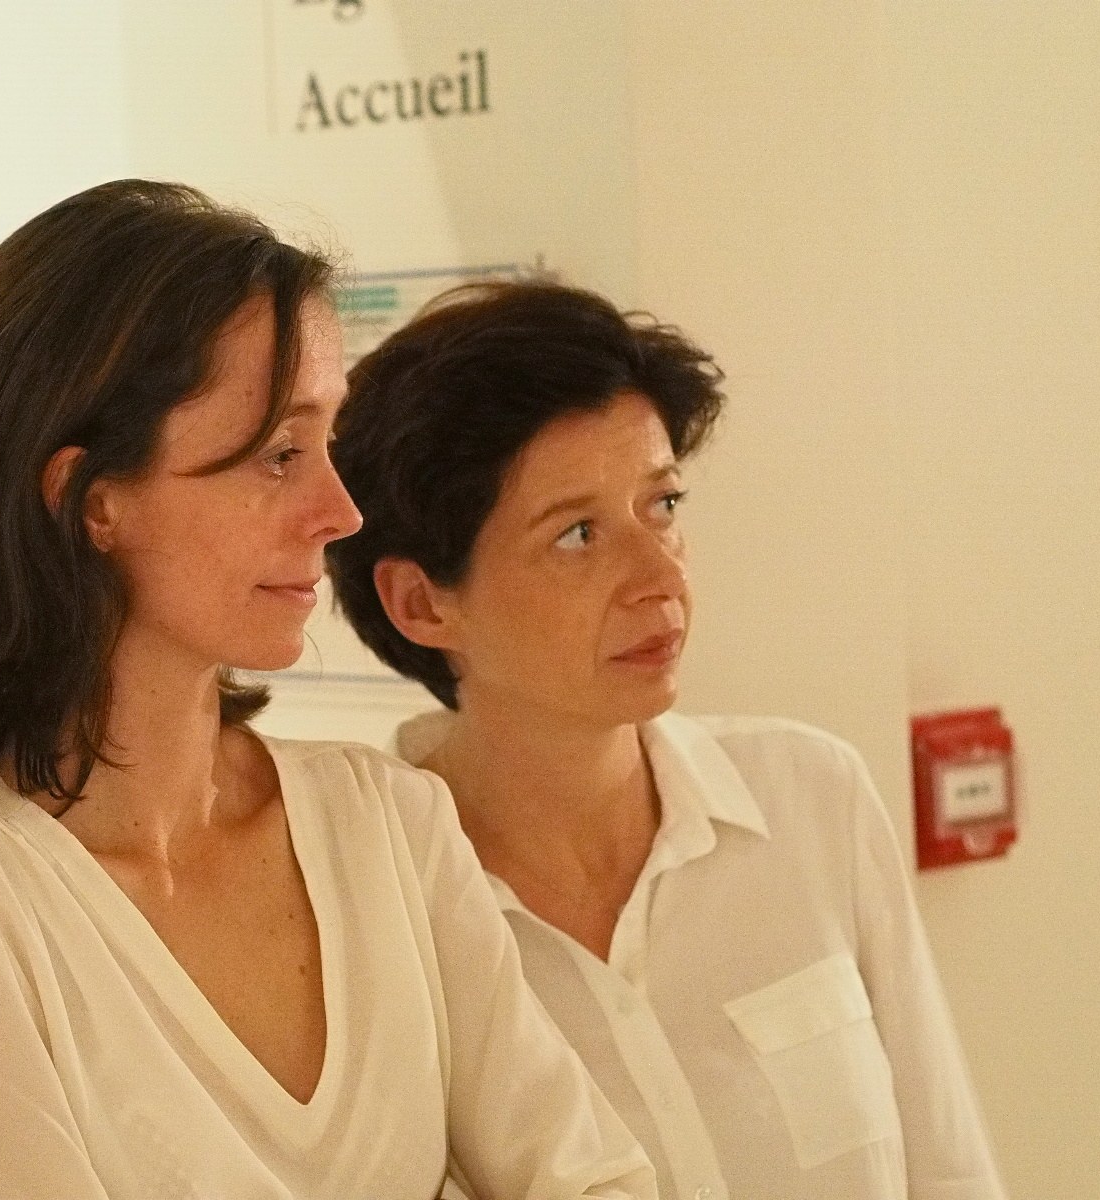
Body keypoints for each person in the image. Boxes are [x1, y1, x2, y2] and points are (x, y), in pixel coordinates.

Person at [0, 183, 656, 1200]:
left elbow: (598, 1182)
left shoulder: (388, 824)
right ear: (89, 500)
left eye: (329, 446)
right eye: (279, 455)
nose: (339, 512)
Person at [325, 280, 1008, 1200]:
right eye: (577, 534)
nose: (658, 576)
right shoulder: (371, 905)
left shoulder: (810, 794)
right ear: (421, 602)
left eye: (664, 505)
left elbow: (950, 1169)